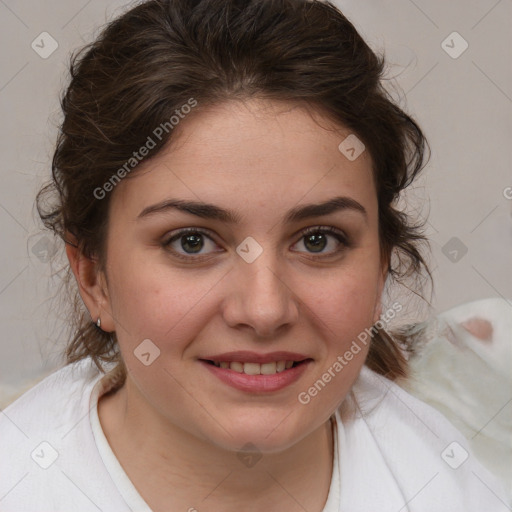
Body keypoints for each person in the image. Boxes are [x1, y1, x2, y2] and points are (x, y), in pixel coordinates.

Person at [0, 0, 508, 510]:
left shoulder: (458, 488)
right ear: (93, 277)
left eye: (318, 240)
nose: (264, 310)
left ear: (380, 269)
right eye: (192, 242)